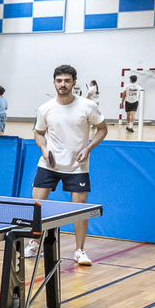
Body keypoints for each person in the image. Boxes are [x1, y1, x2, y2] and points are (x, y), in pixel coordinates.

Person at [28, 64, 108, 267]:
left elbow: (102, 129)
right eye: (59, 80)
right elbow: (38, 133)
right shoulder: (45, 108)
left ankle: (80, 251)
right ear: (54, 82)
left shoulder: (87, 106)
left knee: (79, 210)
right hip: (49, 164)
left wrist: (88, 149)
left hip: (77, 166)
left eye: (67, 80)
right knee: (37, 206)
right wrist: (44, 150)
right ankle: (34, 243)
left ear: (74, 82)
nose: (63, 84)